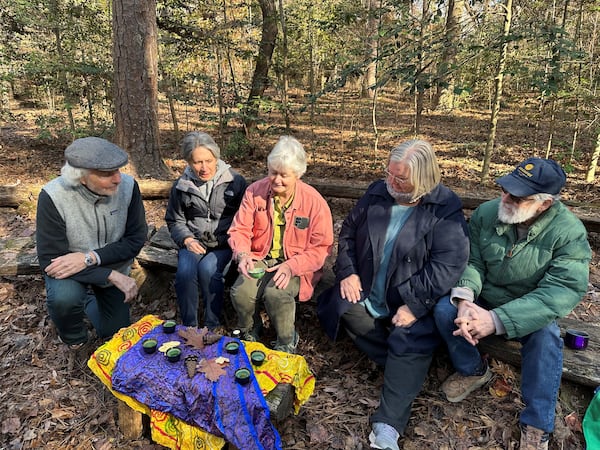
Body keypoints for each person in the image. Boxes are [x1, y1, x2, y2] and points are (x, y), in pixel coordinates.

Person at [317, 139, 469, 450]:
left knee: (407, 336)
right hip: (369, 288)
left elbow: (449, 263)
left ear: (423, 178)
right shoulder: (378, 192)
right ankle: (406, 368)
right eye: (389, 173)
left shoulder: (444, 208)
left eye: (400, 178)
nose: (391, 182)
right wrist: (348, 272)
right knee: (344, 308)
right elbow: (347, 233)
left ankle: (387, 426)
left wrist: (414, 304)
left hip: (410, 298)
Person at [433, 157, 591, 450]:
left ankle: (537, 423)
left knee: (547, 339)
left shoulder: (570, 233)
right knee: (445, 309)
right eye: (505, 189)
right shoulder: (487, 213)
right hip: (485, 296)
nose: (505, 198)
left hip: (527, 306)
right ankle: (473, 370)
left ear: (544, 203)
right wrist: (466, 298)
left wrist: (496, 320)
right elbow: (473, 261)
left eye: (517, 196)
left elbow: (560, 291)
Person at [36, 137, 147, 349]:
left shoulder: (129, 187)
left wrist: (92, 258)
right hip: (70, 271)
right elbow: (50, 260)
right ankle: (74, 337)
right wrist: (109, 275)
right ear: (81, 178)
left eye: (118, 170)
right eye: (107, 174)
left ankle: (89, 300)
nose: (117, 179)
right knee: (64, 298)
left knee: (114, 334)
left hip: (110, 262)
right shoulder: (53, 196)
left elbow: (136, 239)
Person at [228, 135, 334, 353]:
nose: (276, 180)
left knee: (276, 293)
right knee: (241, 291)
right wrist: (242, 254)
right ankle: (250, 329)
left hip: (296, 264)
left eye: (284, 175)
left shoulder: (314, 202)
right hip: (259, 257)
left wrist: (291, 266)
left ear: (298, 174)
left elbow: (321, 248)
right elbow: (239, 229)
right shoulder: (254, 192)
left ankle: (286, 341)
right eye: (272, 172)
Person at [165, 131, 246, 330]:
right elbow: (175, 220)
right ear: (188, 162)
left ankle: (212, 325)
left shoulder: (235, 181)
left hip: (223, 243)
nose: (204, 168)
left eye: (208, 161)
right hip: (194, 241)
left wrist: (235, 241)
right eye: (197, 162)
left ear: (216, 157)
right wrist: (186, 239)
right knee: (185, 272)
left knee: (209, 270)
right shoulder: (182, 185)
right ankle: (189, 326)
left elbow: (245, 218)